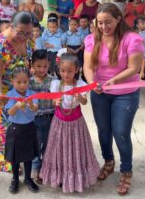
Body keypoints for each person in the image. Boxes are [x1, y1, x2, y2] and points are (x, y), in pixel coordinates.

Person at [83, 3, 144, 195]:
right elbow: (87, 66)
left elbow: (134, 68)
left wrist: (112, 81)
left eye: (108, 22)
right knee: (103, 131)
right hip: (100, 92)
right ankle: (108, 161)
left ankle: (126, 171)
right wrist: (93, 83)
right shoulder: (91, 39)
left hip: (125, 92)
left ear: (118, 19)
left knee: (121, 133)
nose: (103, 27)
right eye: (100, 23)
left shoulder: (132, 39)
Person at [40, 53, 99, 193]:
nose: (66, 74)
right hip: (59, 123)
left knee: (76, 149)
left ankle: (76, 179)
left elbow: (84, 102)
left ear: (77, 70)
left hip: (76, 124)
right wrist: (56, 102)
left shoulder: (80, 84)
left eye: (70, 71)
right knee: (59, 150)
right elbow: (54, 102)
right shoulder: (55, 84)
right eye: (63, 71)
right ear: (58, 70)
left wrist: (80, 97)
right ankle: (60, 176)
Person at [0, 11, 34, 172]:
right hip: (4, 91)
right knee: (4, 127)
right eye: (21, 33)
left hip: (19, 88)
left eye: (29, 32)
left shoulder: (26, 38)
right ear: (11, 27)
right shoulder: (1, 44)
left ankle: (17, 155)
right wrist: (0, 95)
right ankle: (5, 162)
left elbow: (26, 58)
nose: (25, 37)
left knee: (20, 124)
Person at [4, 67, 40, 194]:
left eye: (25, 81)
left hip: (29, 128)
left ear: (28, 81)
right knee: (15, 158)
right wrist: (16, 105)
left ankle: (28, 178)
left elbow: (35, 109)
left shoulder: (32, 94)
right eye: (18, 82)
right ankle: (15, 179)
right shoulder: (10, 95)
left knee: (29, 156)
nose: (22, 85)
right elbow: (9, 112)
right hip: (15, 129)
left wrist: (30, 104)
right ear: (12, 81)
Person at [29, 50, 55, 184]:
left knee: (49, 144)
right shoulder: (29, 82)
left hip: (52, 118)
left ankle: (46, 168)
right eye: (38, 66)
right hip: (36, 119)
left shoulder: (53, 80)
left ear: (49, 64)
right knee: (36, 144)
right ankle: (35, 168)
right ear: (32, 66)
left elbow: (59, 96)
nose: (42, 69)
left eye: (45, 66)